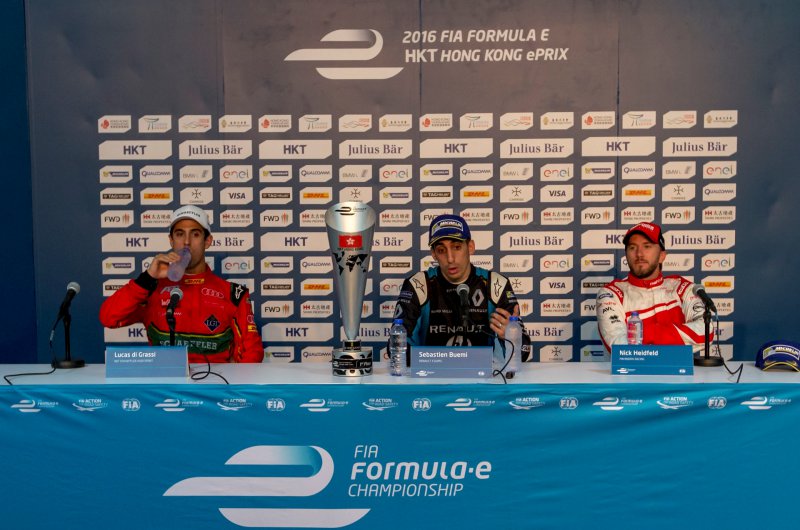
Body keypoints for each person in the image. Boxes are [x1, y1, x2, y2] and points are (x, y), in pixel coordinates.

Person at [100, 205, 264, 363]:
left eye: (195, 234)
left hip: (215, 381)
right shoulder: (151, 288)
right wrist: (147, 278)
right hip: (165, 380)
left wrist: (231, 380)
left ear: (207, 241)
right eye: (179, 234)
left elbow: (252, 352)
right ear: (171, 241)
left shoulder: (233, 294)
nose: (186, 242)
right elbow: (108, 318)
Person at [393, 214, 531, 362]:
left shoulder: (496, 284)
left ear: (470, 247)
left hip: (480, 374)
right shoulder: (417, 285)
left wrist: (512, 338)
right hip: (430, 373)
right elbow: (396, 349)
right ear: (433, 254)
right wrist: (441, 362)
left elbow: (523, 353)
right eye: (441, 250)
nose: (450, 258)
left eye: (457, 247)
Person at [596, 222, 711, 352]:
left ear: (662, 256)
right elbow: (618, 346)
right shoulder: (611, 293)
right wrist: (676, 337)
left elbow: (707, 332)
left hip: (679, 366)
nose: (639, 254)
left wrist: (645, 334)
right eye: (632, 247)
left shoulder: (682, 287)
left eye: (647, 246)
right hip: (635, 367)